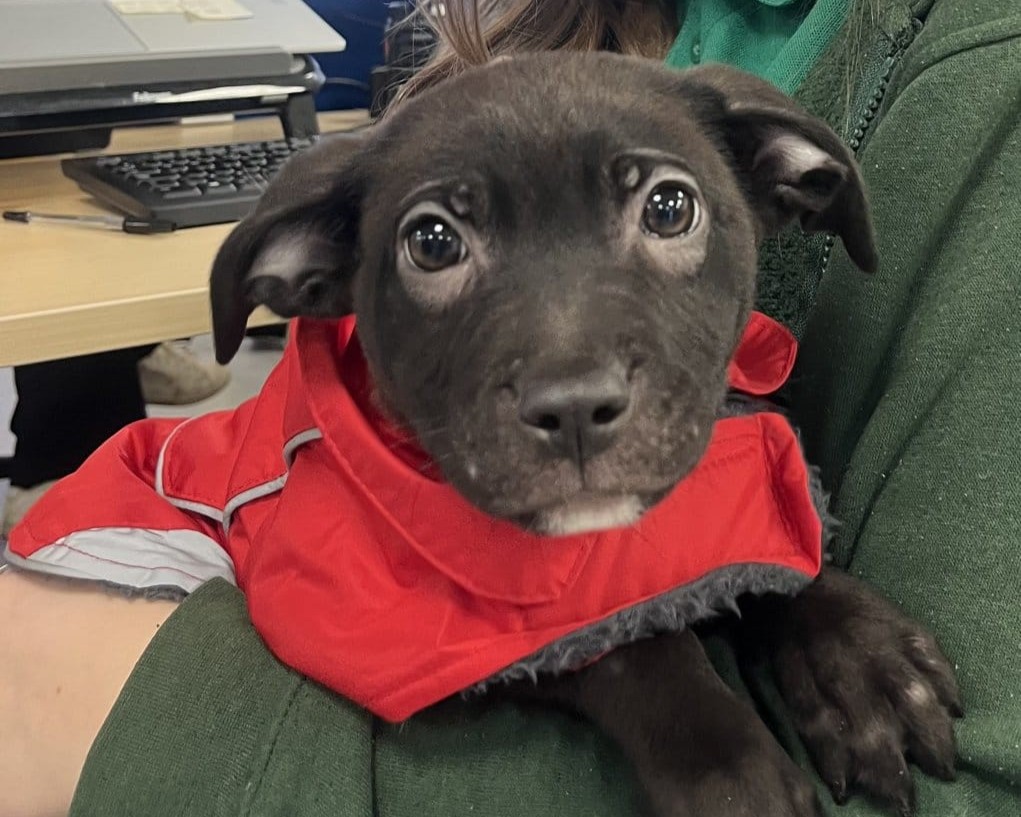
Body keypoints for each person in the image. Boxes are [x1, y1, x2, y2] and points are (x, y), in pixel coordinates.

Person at [2, 1, 1019, 815]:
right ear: (309, 269)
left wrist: (799, 601)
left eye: (664, 209)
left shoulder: (966, 77)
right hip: (145, 571)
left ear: (793, 189)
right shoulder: (342, 466)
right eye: (437, 243)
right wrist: (652, 686)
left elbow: (662, 539)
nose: (572, 382)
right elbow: (391, 619)